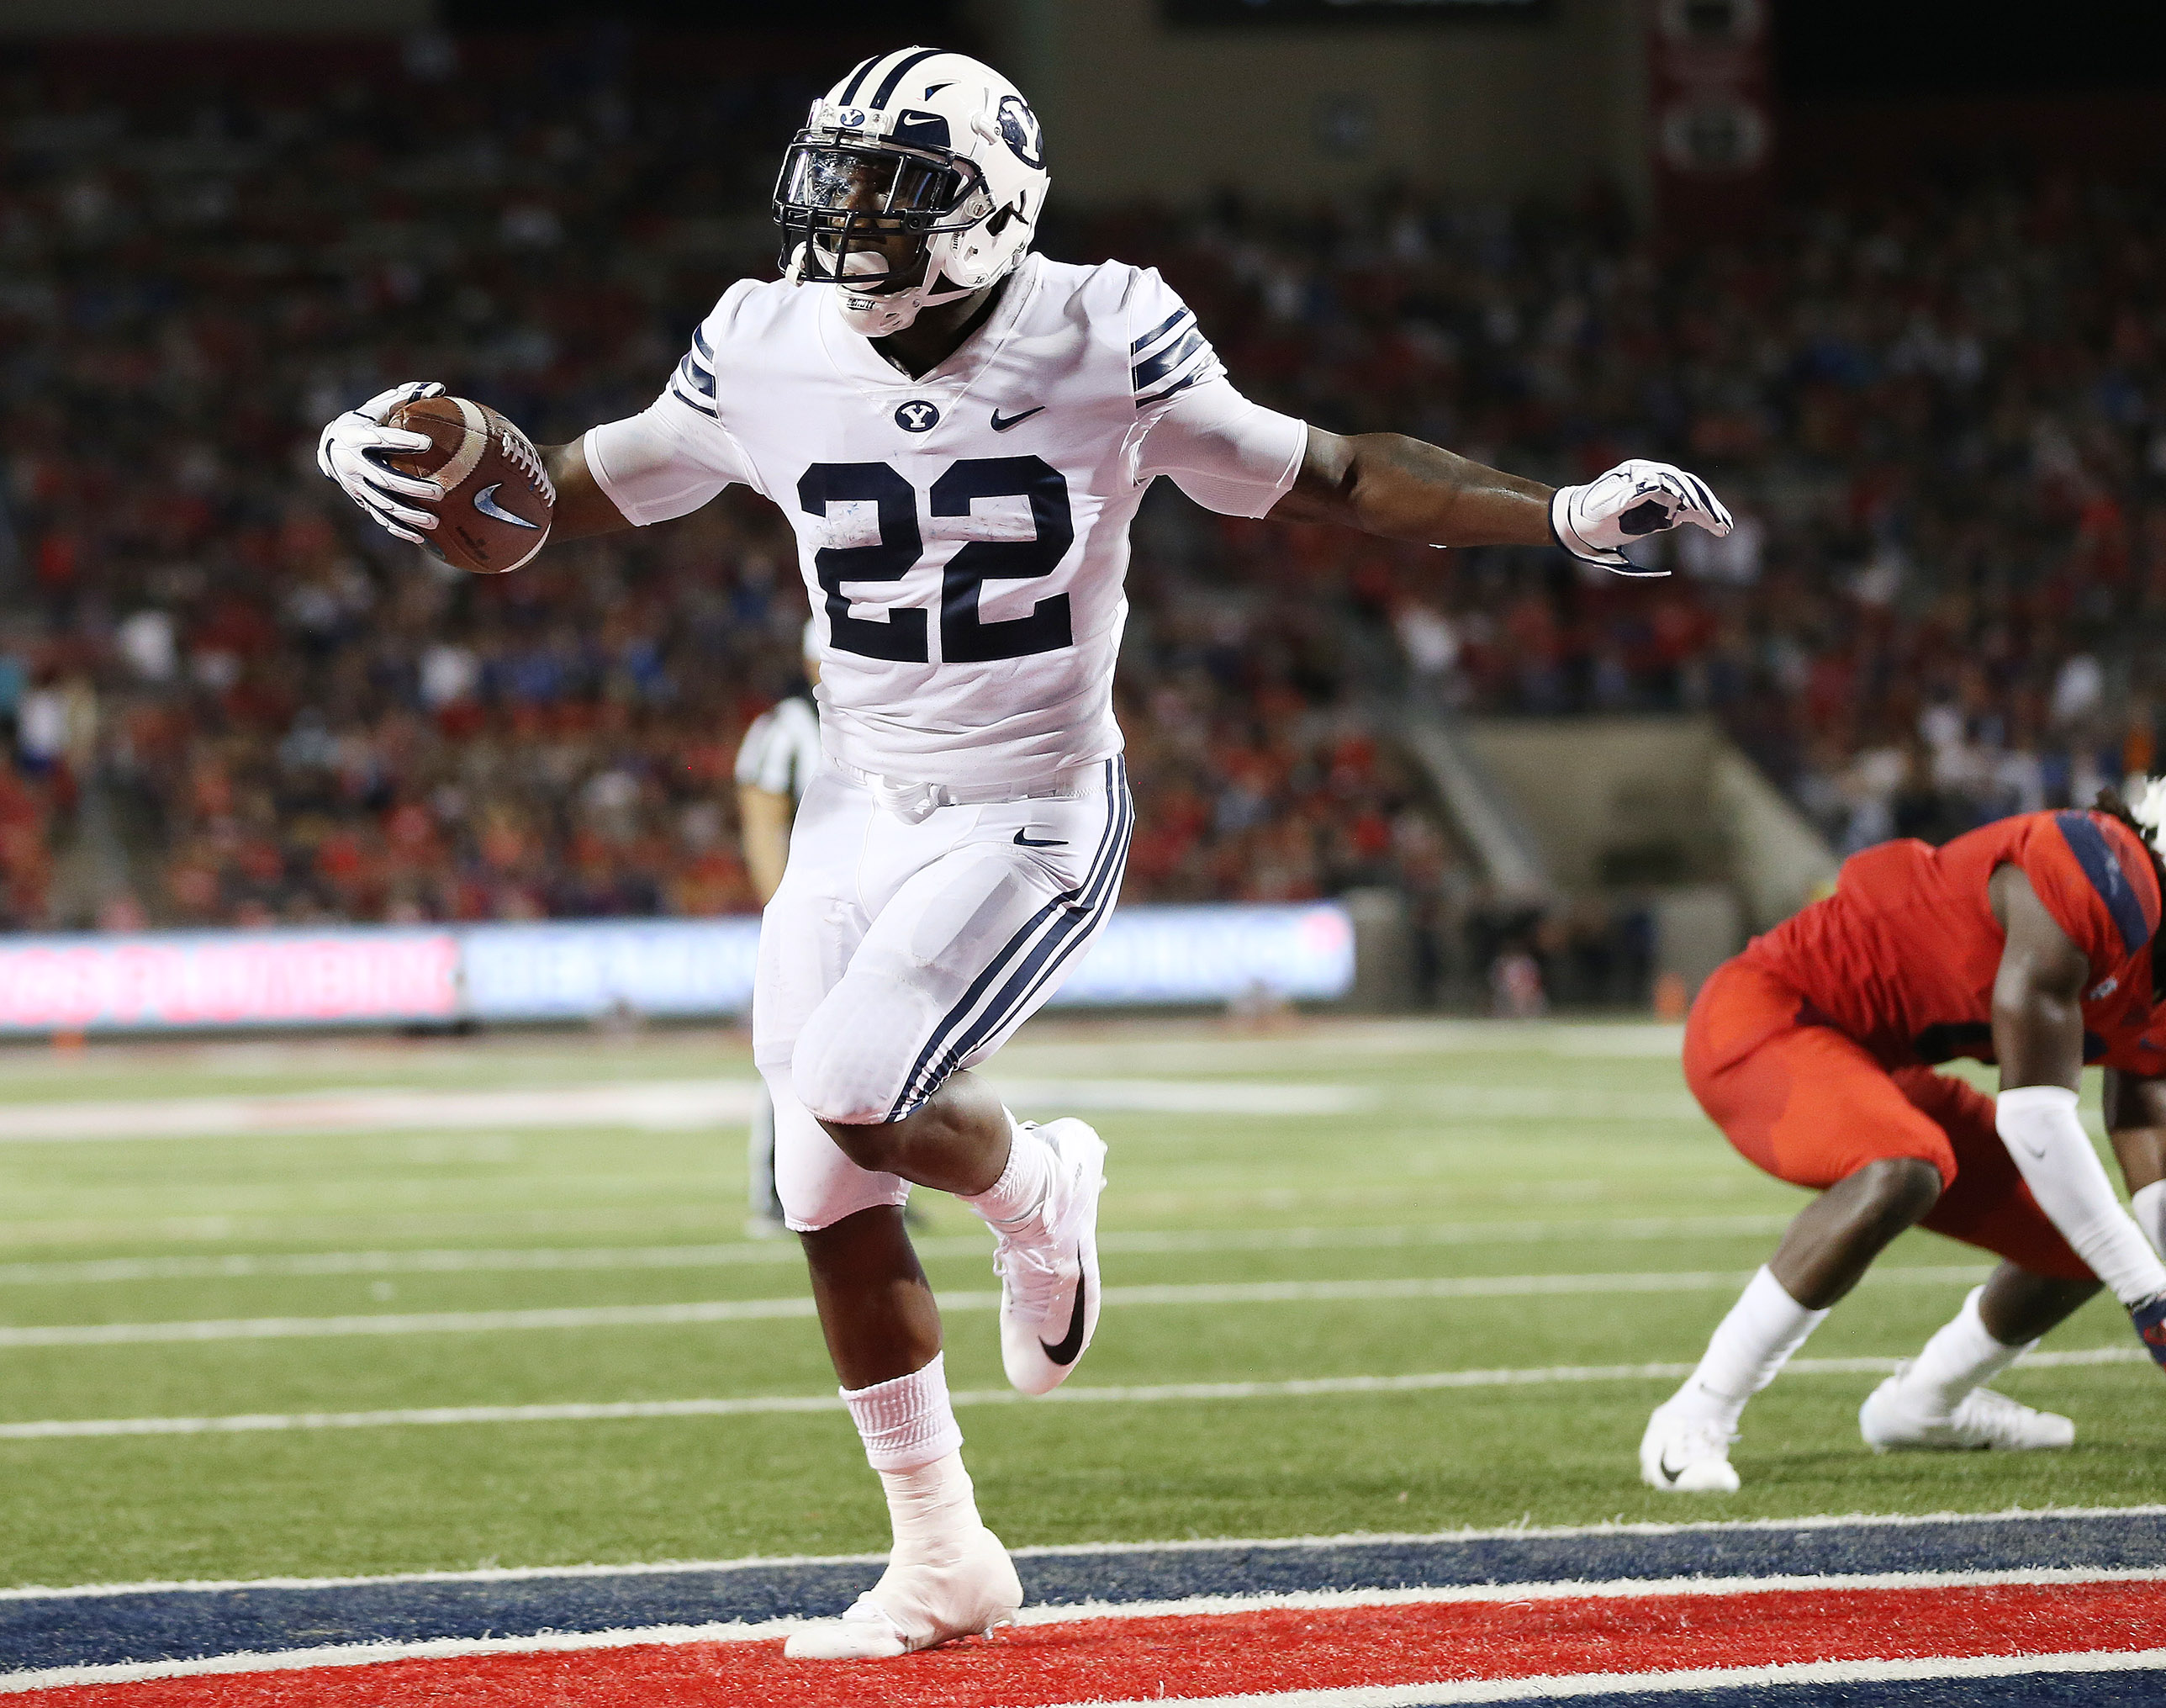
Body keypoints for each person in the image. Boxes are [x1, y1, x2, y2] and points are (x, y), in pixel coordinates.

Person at [318, 45, 1733, 1656]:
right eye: (836, 187)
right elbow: (578, 491)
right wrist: (435, 480)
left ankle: (1042, 1185)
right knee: (814, 1169)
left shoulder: (1102, 327)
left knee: (856, 1088)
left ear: (992, 211)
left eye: (890, 196)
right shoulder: (763, 338)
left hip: (1032, 807)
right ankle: (945, 1558)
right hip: (857, 801)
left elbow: (1334, 472)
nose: (846, 227)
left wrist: (1555, 513)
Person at [1645, 745, 2166, 1494]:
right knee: (1905, 1169)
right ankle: (1695, 1416)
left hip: (1877, 1060)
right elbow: (2036, 1119)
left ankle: (1924, 1405)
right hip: (1770, 1012)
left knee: (2078, 1245)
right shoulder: (2093, 867)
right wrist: (2155, 1301)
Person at [738, 621, 827, 1238]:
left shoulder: (886, 725)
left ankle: (882, 1188)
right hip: (814, 911)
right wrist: (783, 907)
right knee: (794, 1055)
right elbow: (761, 820)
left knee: (883, 1055)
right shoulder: (788, 727)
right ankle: (776, 1188)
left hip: (879, 908)